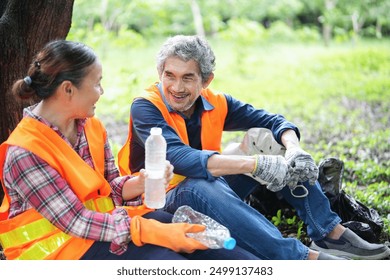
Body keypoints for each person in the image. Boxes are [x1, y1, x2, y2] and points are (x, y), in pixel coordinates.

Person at [118, 34, 390, 260]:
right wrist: (256, 165)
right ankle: (302, 259)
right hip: (160, 200)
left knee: (268, 141)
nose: (177, 87)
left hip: (207, 188)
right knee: (201, 184)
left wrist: (293, 149)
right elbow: (180, 158)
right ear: (159, 73)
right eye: (170, 75)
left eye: (188, 78)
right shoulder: (145, 106)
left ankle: (330, 232)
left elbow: (273, 121)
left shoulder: (216, 101)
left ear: (206, 80)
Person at [0, 39, 259, 260]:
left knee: (205, 243)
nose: (102, 91)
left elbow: (109, 188)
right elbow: (76, 221)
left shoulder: (91, 126)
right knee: (170, 260)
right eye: (97, 83)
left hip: (109, 228)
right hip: (60, 254)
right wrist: (148, 231)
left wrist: (139, 183)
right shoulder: (25, 152)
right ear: (68, 89)